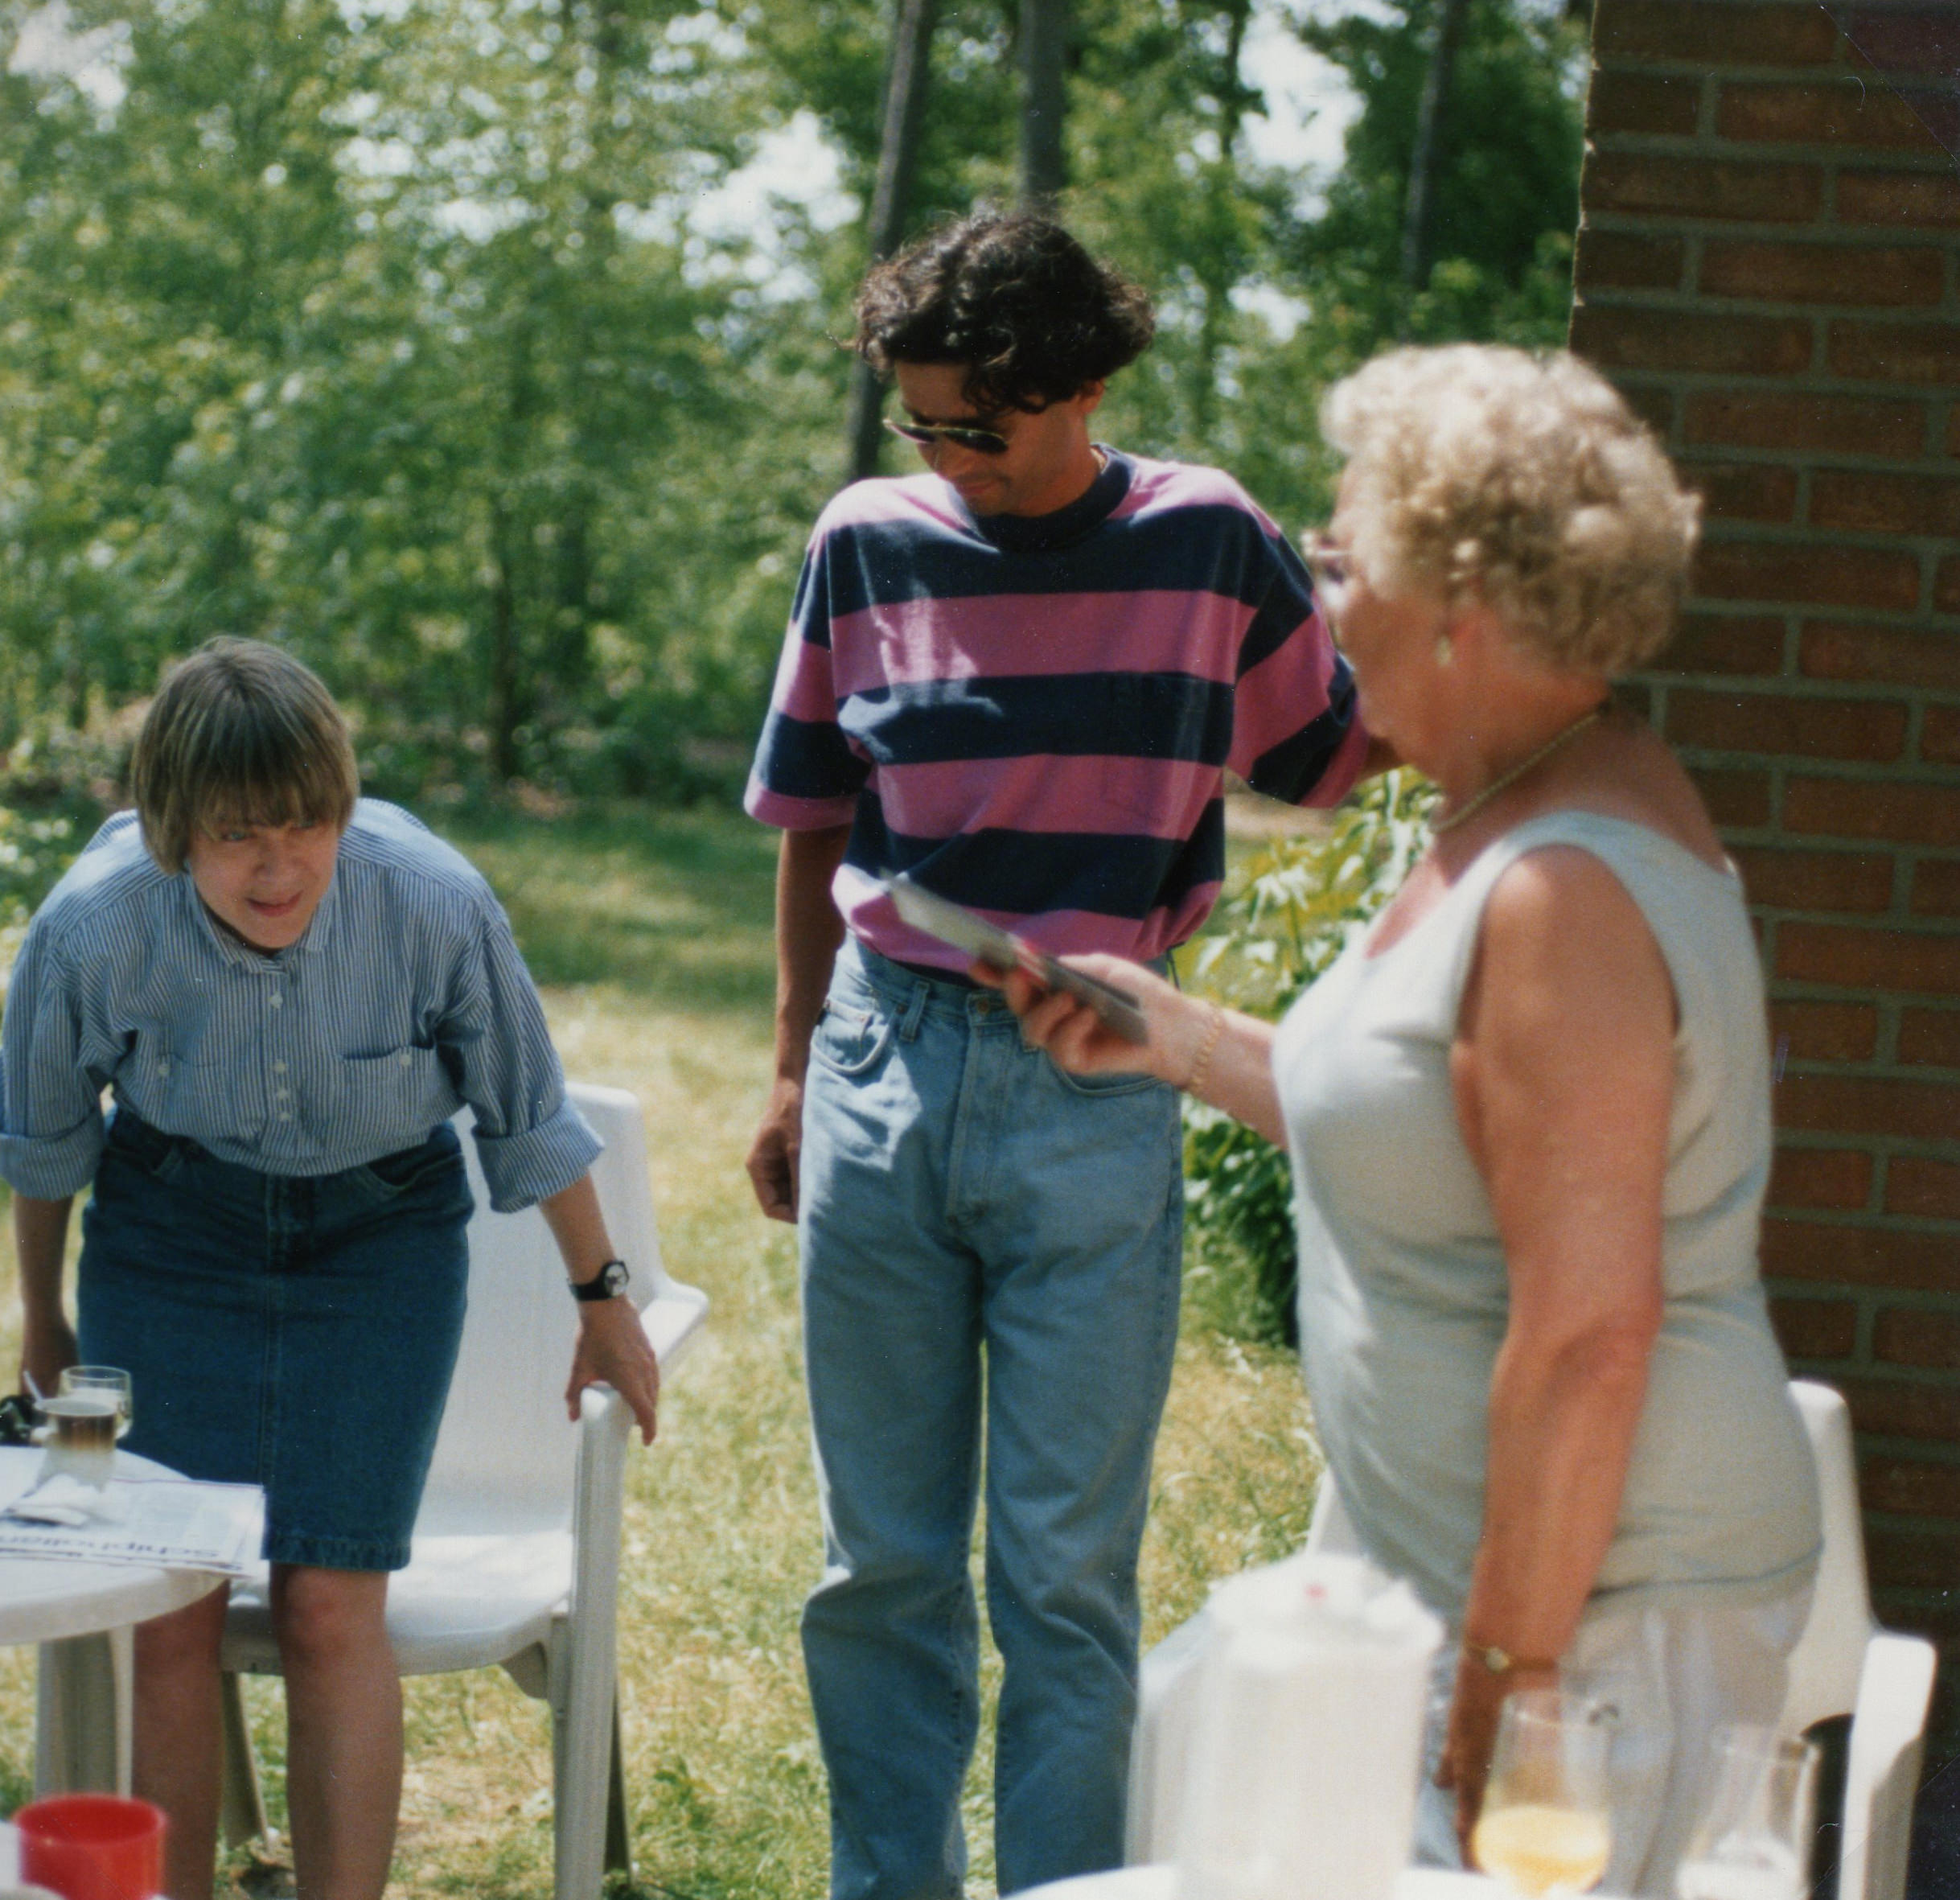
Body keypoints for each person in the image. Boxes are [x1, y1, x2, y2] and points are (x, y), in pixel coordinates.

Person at [992, 344, 1822, 1900]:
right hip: (1502, 1592)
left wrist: (1506, 1669)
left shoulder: (1561, 886)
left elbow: (1587, 1334)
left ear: (1460, 599)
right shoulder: (1514, 809)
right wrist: (1176, 1036)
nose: (1318, 609)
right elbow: (1443, 1133)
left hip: (1594, 1623)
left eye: (1339, 562)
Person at [742, 210, 1368, 1900]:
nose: (947, 457)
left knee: (1064, 1577)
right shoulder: (867, 540)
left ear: (1083, 385)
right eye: (922, 422)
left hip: (1098, 1082)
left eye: (981, 426)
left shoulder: (1206, 540)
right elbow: (813, 816)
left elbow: (1333, 757)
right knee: (878, 1563)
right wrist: (795, 1064)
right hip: (883, 1062)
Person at [0, 638, 662, 1900]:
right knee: (170, 1607)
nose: (280, 867)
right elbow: (45, 1141)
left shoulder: (435, 902)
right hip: (170, 1238)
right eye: (238, 835)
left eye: (306, 825)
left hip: (380, 1243)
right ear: (173, 828)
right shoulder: (91, 925)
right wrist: (46, 1319)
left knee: (325, 1602)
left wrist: (604, 1299)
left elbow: (527, 1115)